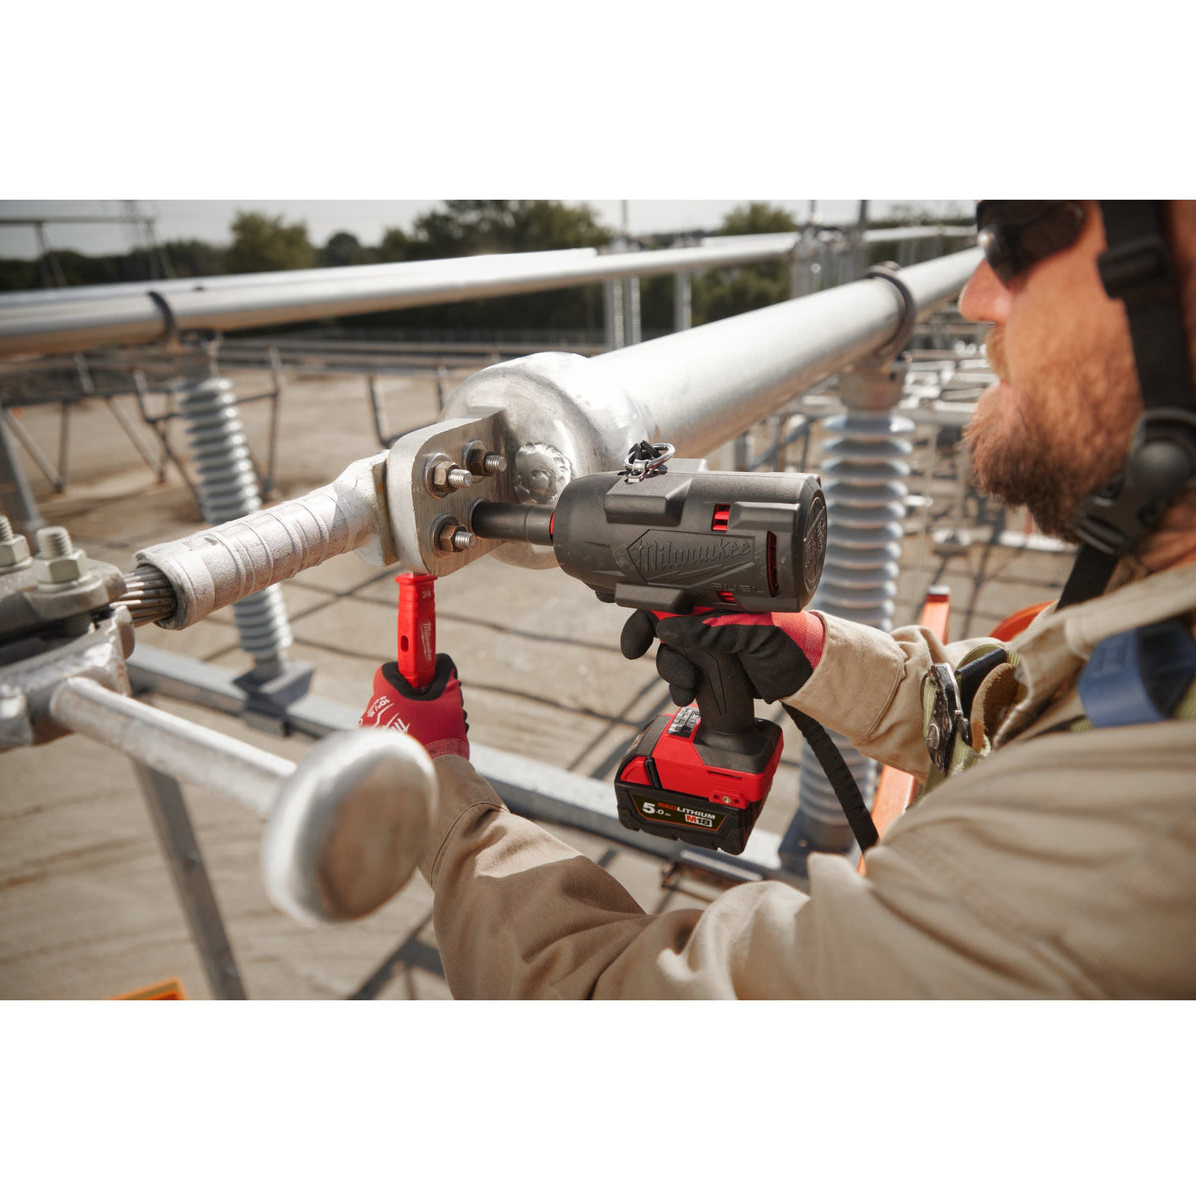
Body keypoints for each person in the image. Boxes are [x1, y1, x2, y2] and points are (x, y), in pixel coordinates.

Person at [361, 201, 1196, 999]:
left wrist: (439, 793)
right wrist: (818, 653)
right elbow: (994, 715)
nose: (977, 296)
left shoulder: (1105, 858)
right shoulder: (1156, 621)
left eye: (1021, 234)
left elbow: (610, 1000)